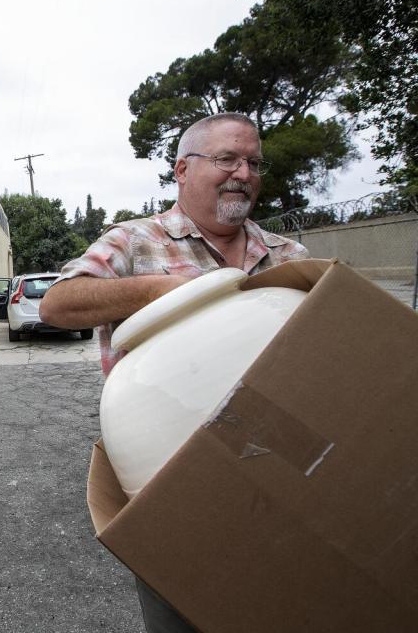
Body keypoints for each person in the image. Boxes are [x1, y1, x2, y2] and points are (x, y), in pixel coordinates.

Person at [39, 113, 309, 632]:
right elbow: (57, 303)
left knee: (286, 604)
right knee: (184, 614)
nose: (243, 173)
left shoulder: (287, 254)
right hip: (173, 481)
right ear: (182, 169)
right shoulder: (135, 241)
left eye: (254, 162)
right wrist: (156, 289)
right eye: (227, 158)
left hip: (281, 473)